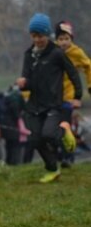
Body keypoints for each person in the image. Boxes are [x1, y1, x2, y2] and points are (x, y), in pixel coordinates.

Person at [16, 13, 81, 183]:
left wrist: (78, 95)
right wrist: (23, 83)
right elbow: (28, 81)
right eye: (34, 36)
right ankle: (52, 169)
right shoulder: (28, 55)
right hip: (35, 105)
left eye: (41, 36)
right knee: (35, 139)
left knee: (49, 135)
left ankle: (64, 131)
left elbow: (73, 73)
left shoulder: (57, 53)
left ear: (47, 35)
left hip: (54, 104)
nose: (38, 39)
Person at [54, 21, 91, 167]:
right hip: (53, 96)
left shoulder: (76, 53)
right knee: (53, 128)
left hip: (69, 96)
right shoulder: (52, 52)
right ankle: (61, 154)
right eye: (61, 39)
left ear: (71, 39)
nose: (64, 43)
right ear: (56, 40)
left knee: (65, 126)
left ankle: (67, 157)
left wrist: (89, 84)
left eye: (66, 39)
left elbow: (89, 66)